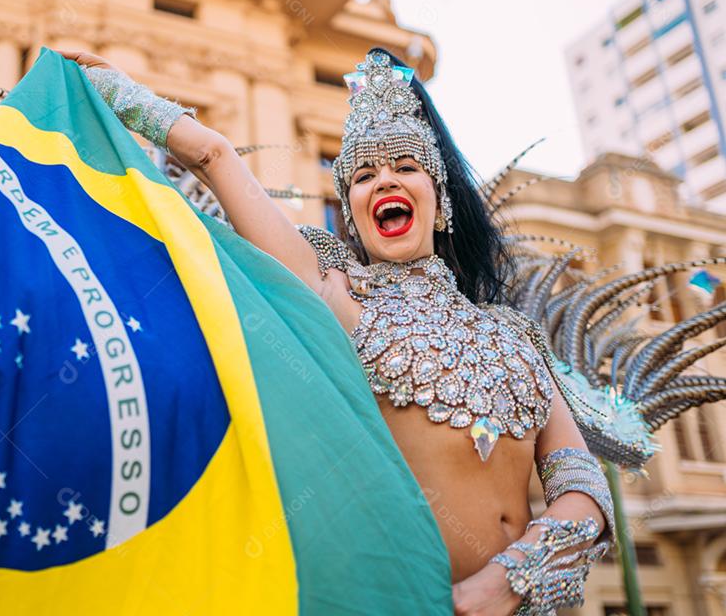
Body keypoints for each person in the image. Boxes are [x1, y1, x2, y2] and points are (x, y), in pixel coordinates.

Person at [60, 46, 615, 616]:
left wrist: (506, 582)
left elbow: (583, 487)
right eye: (363, 175)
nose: (384, 182)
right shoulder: (335, 293)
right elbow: (214, 156)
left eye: (405, 167)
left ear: (440, 200)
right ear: (349, 210)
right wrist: (122, 94)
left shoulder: (511, 335)